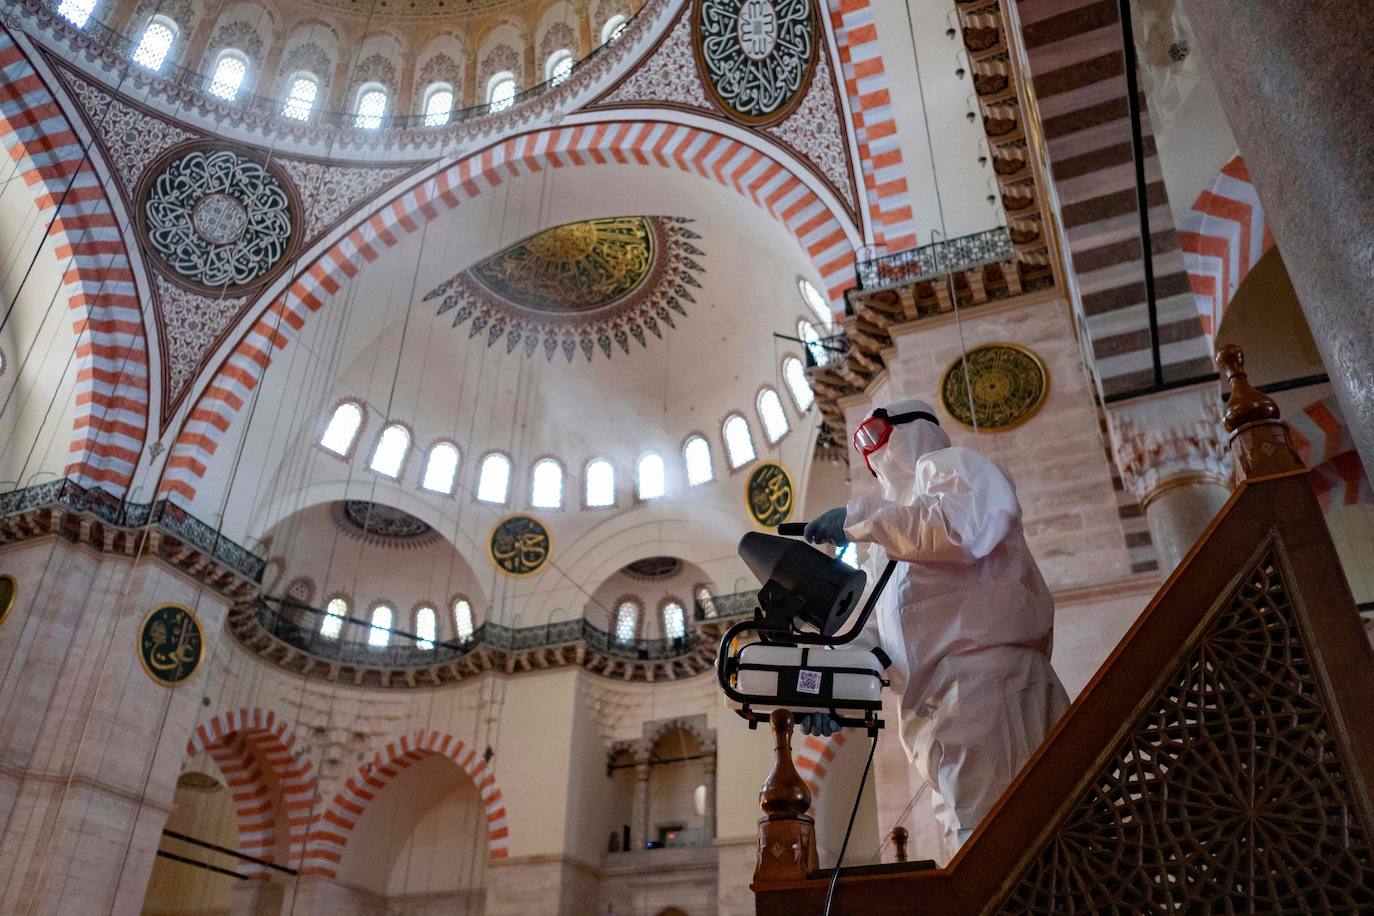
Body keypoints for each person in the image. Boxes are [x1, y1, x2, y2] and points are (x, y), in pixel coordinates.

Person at [801, 399, 1068, 856]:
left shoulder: (950, 468)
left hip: (987, 689)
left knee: (1005, 849)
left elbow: (959, 530)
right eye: (862, 446)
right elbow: (873, 632)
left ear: (913, 429)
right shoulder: (888, 540)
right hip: (933, 716)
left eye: (876, 436)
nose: (871, 454)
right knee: (971, 846)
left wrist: (859, 518)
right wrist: (831, 690)